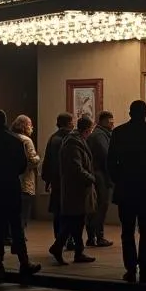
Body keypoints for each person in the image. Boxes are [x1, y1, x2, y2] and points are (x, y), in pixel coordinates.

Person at [0, 110, 41, 284]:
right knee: (16, 228)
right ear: (4, 121)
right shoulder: (14, 141)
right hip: (10, 189)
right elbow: (21, 166)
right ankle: (24, 263)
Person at [107, 100, 146, 284]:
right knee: (145, 229)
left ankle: (130, 269)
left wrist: (119, 179)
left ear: (130, 113)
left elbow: (111, 162)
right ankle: (145, 268)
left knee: (127, 231)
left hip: (126, 187)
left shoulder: (118, 133)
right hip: (145, 187)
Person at [48, 116, 97, 266]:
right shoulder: (73, 143)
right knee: (72, 221)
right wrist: (91, 178)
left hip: (78, 190)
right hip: (76, 190)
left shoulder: (76, 141)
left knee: (77, 222)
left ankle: (78, 251)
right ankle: (58, 247)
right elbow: (76, 167)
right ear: (87, 130)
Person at [40, 113, 75, 251]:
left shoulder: (53, 138)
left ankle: (58, 238)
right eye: (72, 122)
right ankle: (67, 239)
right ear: (68, 123)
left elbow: (47, 161)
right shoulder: (69, 138)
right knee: (70, 212)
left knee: (58, 212)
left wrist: (47, 179)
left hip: (55, 180)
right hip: (67, 181)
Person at [85, 111, 114, 247]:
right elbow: (106, 155)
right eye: (110, 121)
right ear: (102, 121)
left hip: (98, 174)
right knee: (101, 206)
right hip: (100, 175)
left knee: (96, 207)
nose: (112, 124)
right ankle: (98, 236)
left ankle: (92, 236)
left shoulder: (99, 134)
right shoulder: (100, 136)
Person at [11, 115, 41, 231]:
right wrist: (38, 158)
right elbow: (32, 160)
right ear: (24, 126)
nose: (32, 127)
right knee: (24, 211)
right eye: (30, 125)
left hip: (12, 180)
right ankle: (20, 234)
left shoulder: (11, 137)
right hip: (25, 180)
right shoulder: (26, 140)